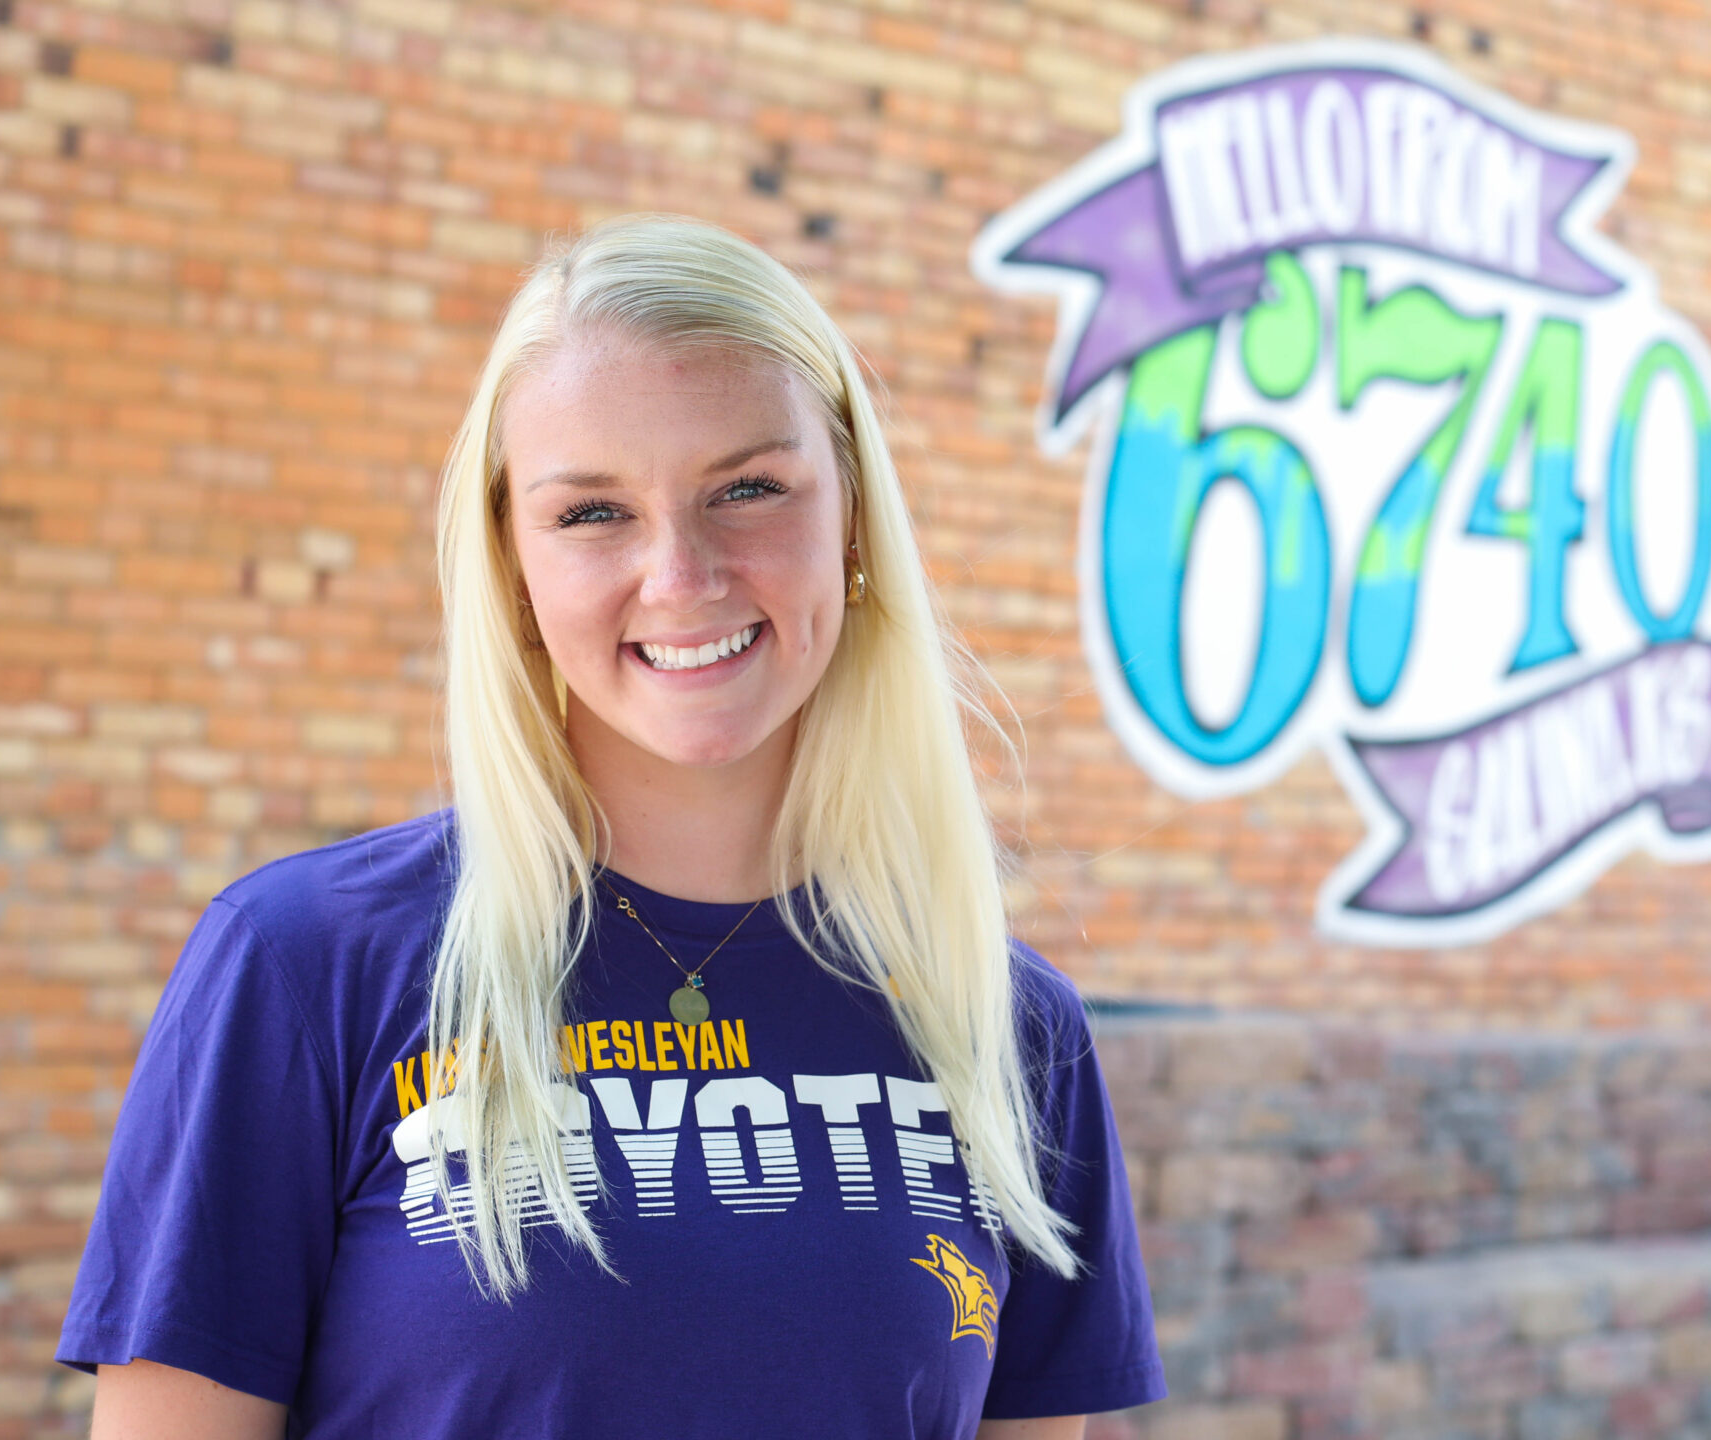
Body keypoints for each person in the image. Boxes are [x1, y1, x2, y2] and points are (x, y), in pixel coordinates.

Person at [56, 214, 1166, 1438]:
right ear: (512, 561)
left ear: (849, 519)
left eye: (748, 488)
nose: (681, 575)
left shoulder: (1007, 1031)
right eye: (592, 513)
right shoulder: (304, 966)